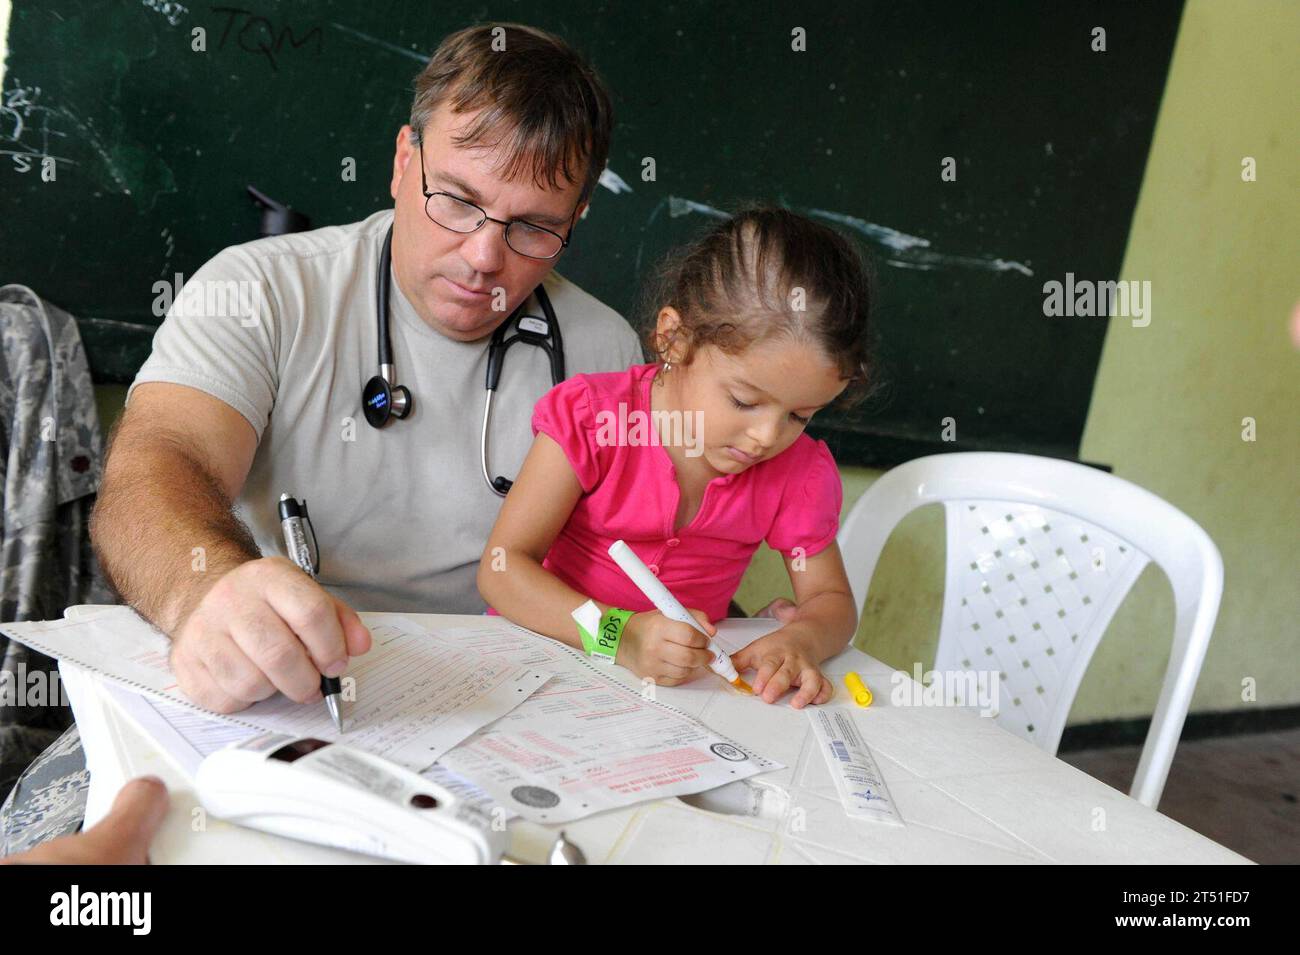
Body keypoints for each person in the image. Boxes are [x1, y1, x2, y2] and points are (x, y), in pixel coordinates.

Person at [88, 23, 642, 715]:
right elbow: (156, 465)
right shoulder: (261, 291)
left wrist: (771, 619)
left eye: (533, 226)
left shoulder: (608, 355)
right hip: (283, 679)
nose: (483, 257)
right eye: (458, 200)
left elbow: (635, 573)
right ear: (404, 160)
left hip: (507, 699)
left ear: (578, 216)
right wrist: (204, 588)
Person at [479, 206, 878, 708]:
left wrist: (804, 639)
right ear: (674, 337)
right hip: (542, 668)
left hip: (674, 702)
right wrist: (618, 637)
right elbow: (502, 570)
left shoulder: (795, 471)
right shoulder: (592, 421)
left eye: (800, 415)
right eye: (744, 401)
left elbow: (831, 602)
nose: (765, 436)